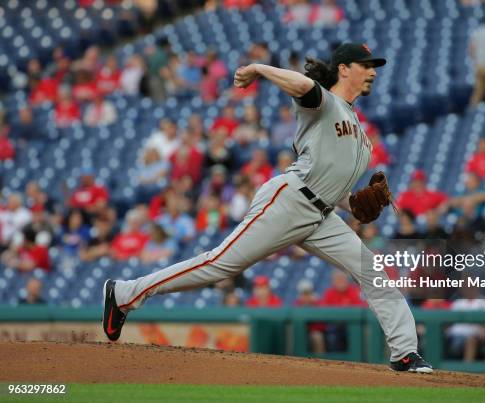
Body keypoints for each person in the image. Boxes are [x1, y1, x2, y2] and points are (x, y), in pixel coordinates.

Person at [103, 43, 433, 373]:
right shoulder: (324, 103)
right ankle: (125, 293)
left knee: (371, 269)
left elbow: (336, 187)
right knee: (221, 264)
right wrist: (260, 68)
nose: (373, 72)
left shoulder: (361, 135)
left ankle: (404, 352)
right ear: (344, 68)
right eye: (366, 65)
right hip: (289, 201)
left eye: (374, 66)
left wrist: (355, 206)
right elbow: (304, 87)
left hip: (321, 214)